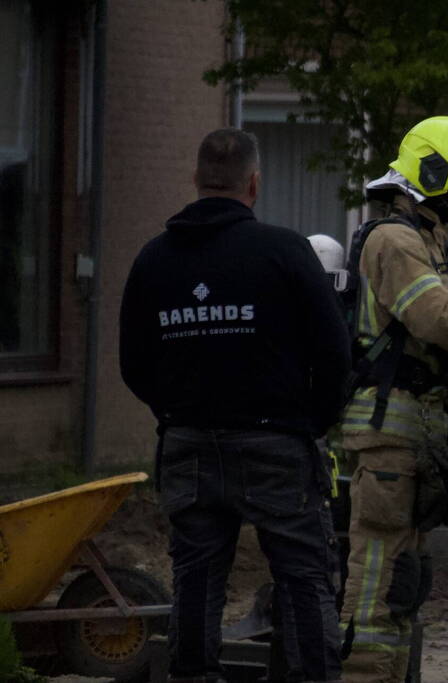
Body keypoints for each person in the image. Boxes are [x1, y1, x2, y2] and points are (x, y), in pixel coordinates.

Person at [119, 127, 349, 683]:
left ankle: (194, 675)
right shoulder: (285, 252)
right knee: (303, 577)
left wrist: (177, 412)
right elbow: (335, 352)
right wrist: (309, 424)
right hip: (277, 441)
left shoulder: (153, 260)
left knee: (196, 574)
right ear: (255, 183)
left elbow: (133, 363)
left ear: (196, 180)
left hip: (189, 444)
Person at [338, 115, 448, 682]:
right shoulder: (396, 240)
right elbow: (438, 321)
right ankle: (365, 676)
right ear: (433, 172)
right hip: (390, 437)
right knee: (378, 579)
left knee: (404, 578)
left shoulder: (422, 239)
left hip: (413, 436)